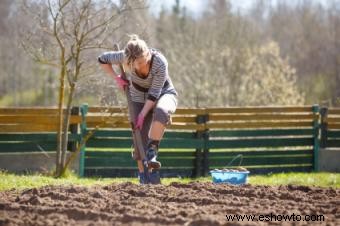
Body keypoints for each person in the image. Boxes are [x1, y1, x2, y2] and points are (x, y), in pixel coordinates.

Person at [98, 34, 178, 184]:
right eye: (135, 64)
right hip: (138, 96)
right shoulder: (125, 56)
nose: (139, 66)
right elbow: (102, 59)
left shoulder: (160, 63)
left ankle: (152, 151)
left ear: (147, 53)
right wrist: (117, 78)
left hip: (163, 93)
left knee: (161, 112)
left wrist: (142, 114)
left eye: (142, 61)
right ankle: (144, 177)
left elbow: (154, 93)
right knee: (138, 136)